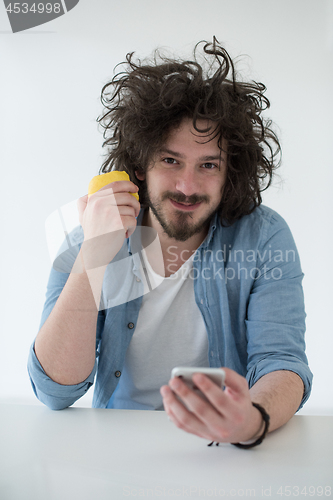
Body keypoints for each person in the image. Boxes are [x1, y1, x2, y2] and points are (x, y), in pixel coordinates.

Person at [28, 38, 312, 447]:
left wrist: (251, 421)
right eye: (170, 160)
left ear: (230, 171)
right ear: (140, 165)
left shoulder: (265, 237)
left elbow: (281, 361)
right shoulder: (91, 234)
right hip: (117, 447)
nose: (187, 186)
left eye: (208, 164)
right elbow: (54, 391)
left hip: (222, 451)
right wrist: (94, 253)